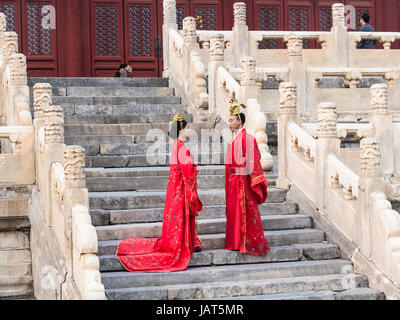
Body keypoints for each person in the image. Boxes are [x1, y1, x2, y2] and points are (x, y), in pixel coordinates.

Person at [116, 113, 204, 272]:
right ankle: (181, 246)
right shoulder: (182, 147)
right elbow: (187, 173)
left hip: (175, 190)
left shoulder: (177, 145)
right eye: (188, 128)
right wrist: (195, 166)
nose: (189, 131)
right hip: (180, 192)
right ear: (181, 130)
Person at [224, 100, 270, 255]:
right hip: (234, 183)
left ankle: (249, 242)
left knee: (245, 213)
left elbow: (253, 161)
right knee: (234, 213)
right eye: (228, 120)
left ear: (239, 121)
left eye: (232, 120)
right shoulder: (236, 139)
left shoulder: (247, 138)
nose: (229, 123)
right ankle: (236, 242)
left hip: (243, 183)